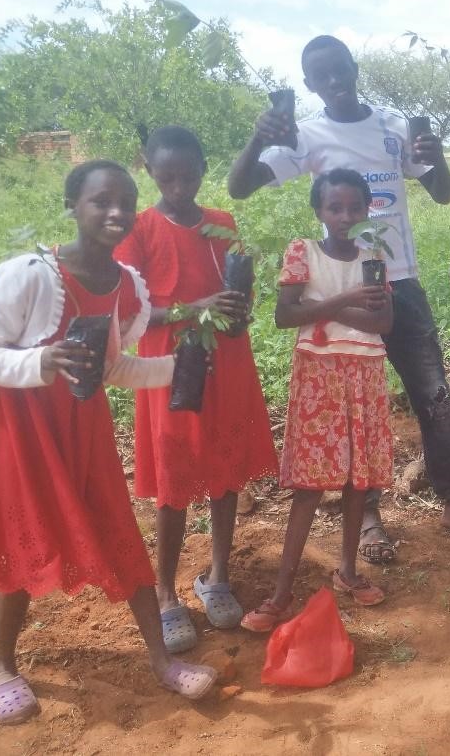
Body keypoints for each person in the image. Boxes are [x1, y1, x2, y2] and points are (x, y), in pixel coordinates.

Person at [227, 34, 450, 564]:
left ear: (354, 69)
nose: (333, 81)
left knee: (435, 396)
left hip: (400, 281)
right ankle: (368, 513)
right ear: (309, 83)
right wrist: (257, 138)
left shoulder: (395, 128)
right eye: (321, 75)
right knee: (361, 406)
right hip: (346, 286)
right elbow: (240, 187)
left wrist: (437, 156)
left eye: (340, 70)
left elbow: (442, 193)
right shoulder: (306, 136)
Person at [0, 160, 217, 725]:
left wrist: (180, 367)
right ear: (72, 206)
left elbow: (114, 369)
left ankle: (160, 663)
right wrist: (41, 360)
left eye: (126, 201)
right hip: (21, 431)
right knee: (25, 541)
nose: (117, 212)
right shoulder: (29, 274)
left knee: (118, 530)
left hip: (83, 427)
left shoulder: (128, 287)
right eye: (101, 200)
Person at [113, 126, 278, 652]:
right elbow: (131, 311)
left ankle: (217, 575)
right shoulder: (139, 230)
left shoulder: (223, 225)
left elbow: (238, 301)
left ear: (205, 169)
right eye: (168, 177)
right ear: (149, 170)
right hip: (169, 368)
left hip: (225, 363)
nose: (180, 186)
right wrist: (194, 310)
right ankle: (165, 593)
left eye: (189, 176)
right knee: (174, 477)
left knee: (226, 473)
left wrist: (235, 310)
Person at [241, 169, 394, 632]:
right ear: (318, 211)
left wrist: (324, 306)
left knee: (356, 479)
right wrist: (349, 300)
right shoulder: (302, 251)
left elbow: (384, 324)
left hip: (365, 371)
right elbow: (285, 315)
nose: (345, 216)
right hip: (320, 374)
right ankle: (282, 591)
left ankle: (347, 572)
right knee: (310, 485)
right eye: (335, 208)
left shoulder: (374, 256)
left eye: (354, 207)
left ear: (368, 209)